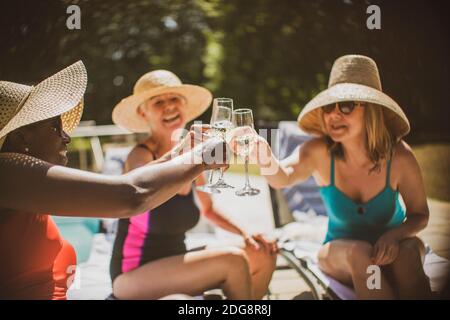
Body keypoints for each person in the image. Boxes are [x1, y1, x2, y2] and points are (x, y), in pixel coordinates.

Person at [0, 61, 226, 300]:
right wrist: (201, 156)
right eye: (55, 127)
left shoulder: (24, 187)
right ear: (21, 137)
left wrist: (181, 152)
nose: (66, 137)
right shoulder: (7, 172)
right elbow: (131, 194)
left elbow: (133, 185)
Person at [235, 55, 432, 299]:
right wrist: (264, 156)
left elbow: (420, 215)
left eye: (346, 105)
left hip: (394, 248)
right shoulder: (318, 151)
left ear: (370, 110)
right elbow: (281, 178)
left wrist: (394, 236)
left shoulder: (399, 156)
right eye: (328, 106)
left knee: (409, 250)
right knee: (359, 253)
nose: (333, 115)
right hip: (340, 253)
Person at [109, 70, 277, 300]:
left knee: (263, 252)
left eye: (175, 99)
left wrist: (246, 234)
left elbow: (208, 209)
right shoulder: (140, 156)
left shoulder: (192, 155)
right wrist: (183, 155)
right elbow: (141, 182)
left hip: (178, 263)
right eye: (159, 102)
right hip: (133, 274)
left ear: (185, 107)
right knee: (233, 261)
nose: (169, 107)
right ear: (143, 112)